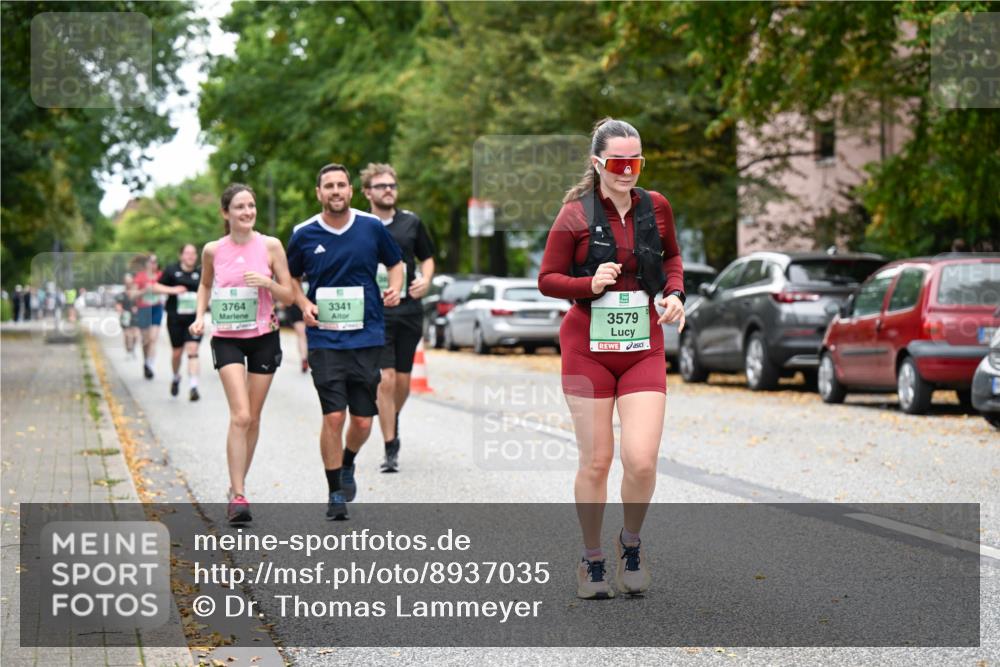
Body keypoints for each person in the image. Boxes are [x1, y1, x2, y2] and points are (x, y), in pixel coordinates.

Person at [537, 118, 685, 599]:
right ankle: (592, 558)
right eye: (619, 162)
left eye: (636, 162)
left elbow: (672, 260)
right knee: (597, 460)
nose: (628, 171)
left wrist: (676, 293)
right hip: (587, 349)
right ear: (599, 163)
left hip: (643, 345)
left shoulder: (656, 206)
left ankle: (631, 544)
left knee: (641, 460)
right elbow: (548, 279)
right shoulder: (575, 214)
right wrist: (589, 284)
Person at [287, 163, 403, 521]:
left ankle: (349, 461)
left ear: (351, 191)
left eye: (341, 185)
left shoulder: (371, 227)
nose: (335, 191)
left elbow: (396, 262)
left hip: (367, 335)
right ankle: (335, 490)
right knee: (334, 415)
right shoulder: (303, 233)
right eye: (328, 186)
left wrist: (396, 286)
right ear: (319, 192)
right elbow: (291, 278)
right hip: (324, 338)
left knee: (364, 422)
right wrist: (303, 303)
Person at [189, 184, 295, 525]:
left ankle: (238, 484)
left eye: (251, 206)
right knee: (241, 416)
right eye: (239, 207)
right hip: (227, 338)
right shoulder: (212, 250)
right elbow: (205, 284)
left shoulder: (271, 246)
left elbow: (289, 295)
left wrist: (267, 285)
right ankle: (238, 496)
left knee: (254, 417)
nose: (247, 212)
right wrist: (199, 316)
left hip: (264, 335)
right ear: (226, 213)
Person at [360, 163, 436, 473]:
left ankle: (390, 415)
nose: (388, 190)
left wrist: (426, 280)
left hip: (407, 309)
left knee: (403, 382)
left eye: (392, 185)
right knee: (386, 379)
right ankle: (391, 446)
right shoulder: (360, 224)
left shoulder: (411, 223)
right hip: (375, 312)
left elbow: (427, 257)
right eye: (381, 186)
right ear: (367, 192)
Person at [159, 244, 204, 401]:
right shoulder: (171, 270)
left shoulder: (201, 273)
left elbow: (208, 289)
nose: (191, 256)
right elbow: (155, 286)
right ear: (181, 256)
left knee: (193, 350)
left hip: (194, 319)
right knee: (177, 353)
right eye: (187, 253)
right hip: (175, 319)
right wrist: (173, 290)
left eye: (193, 253)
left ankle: (193, 387)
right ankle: (176, 376)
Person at [132, 255, 165, 379]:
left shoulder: (160, 276)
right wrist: (144, 291)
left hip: (157, 308)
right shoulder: (140, 277)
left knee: (153, 339)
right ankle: (145, 362)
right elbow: (132, 295)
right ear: (146, 264)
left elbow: (168, 288)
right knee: (145, 340)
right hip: (144, 309)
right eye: (151, 262)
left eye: (156, 262)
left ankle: (150, 365)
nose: (154, 264)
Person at [116, 273, 140, 357]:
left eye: (130, 281)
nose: (128, 283)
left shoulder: (137, 293)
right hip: (125, 315)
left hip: (135, 316)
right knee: (127, 334)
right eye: (127, 282)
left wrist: (137, 308)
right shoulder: (122, 294)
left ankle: (132, 348)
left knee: (136, 335)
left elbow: (140, 303)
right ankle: (128, 351)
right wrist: (120, 310)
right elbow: (118, 305)